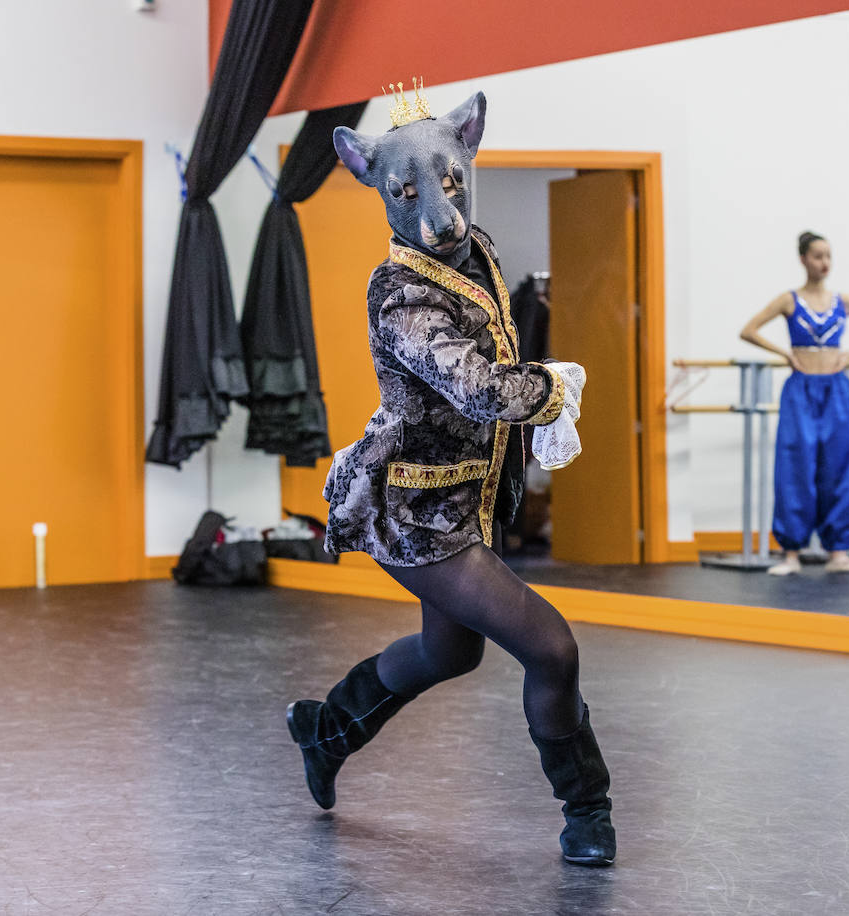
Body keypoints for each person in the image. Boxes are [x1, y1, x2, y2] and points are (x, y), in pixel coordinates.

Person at [285, 87, 615, 867]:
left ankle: (324, 730)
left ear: (467, 158)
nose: (439, 210)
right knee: (552, 650)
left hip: (467, 498)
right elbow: (477, 386)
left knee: (450, 653)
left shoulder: (480, 252)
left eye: (450, 183)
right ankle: (588, 814)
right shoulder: (398, 293)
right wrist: (555, 386)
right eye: (409, 192)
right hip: (419, 513)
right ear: (378, 187)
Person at [739, 231, 849, 576]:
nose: (824, 263)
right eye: (817, 256)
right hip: (801, 391)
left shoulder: (845, 301)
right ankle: (790, 552)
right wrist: (784, 354)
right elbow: (748, 330)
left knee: (840, 466)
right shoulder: (789, 300)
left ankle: (839, 550)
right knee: (796, 466)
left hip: (836, 390)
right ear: (803, 259)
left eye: (828, 256)